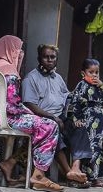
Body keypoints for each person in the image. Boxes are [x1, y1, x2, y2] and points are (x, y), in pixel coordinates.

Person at [0, 35, 65, 192]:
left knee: (40, 125)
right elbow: (13, 106)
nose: (20, 53)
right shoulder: (9, 70)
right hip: (6, 118)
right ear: (10, 50)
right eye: (18, 49)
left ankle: (10, 164)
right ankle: (39, 176)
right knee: (49, 126)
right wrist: (31, 113)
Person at [21, 44, 83, 184]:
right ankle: (68, 172)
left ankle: (75, 167)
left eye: (52, 57)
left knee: (80, 129)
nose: (49, 60)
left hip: (60, 117)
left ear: (56, 59)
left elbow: (67, 96)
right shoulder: (30, 79)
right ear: (39, 58)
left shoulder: (58, 78)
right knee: (54, 131)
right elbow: (30, 105)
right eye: (46, 57)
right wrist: (53, 117)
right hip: (42, 119)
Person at [65, 58, 103, 186]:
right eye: (91, 72)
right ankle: (85, 176)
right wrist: (77, 119)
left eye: (96, 72)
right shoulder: (82, 85)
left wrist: (102, 84)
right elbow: (75, 103)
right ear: (83, 73)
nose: (94, 75)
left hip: (100, 121)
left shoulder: (100, 87)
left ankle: (95, 177)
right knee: (90, 148)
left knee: (98, 148)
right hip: (88, 119)